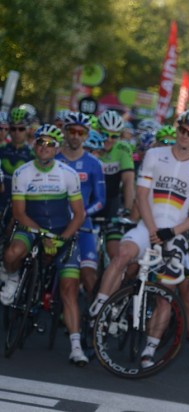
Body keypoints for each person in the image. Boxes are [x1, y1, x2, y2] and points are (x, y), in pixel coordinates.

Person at [90, 110, 189, 371]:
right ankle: (99, 307)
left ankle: (150, 349)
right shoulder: (155, 155)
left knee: (166, 294)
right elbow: (141, 194)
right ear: (177, 129)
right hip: (147, 225)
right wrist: (153, 228)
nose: (185, 135)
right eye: (182, 129)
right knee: (123, 253)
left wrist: (172, 231)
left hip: (175, 232)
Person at [0, 124, 87, 364]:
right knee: (12, 253)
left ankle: (76, 347)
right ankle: (13, 278)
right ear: (34, 144)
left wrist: (62, 239)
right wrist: (43, 235)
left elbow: (79, 215)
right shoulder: (22, 172)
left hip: (62, 232)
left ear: (57, 148)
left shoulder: (68, 174)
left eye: (50, 144)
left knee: (69, 288)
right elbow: (19, 213)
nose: (44, 147)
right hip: (31, 228)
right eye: (40, 142)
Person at [56, 112, 106, 296]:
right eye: (72, 131)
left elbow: (100, 201)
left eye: (81, 132)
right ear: (64, 131)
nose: (76, 136)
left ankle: (95, 313)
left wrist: (83, 214)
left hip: (83, 224)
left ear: (86, 135)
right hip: (54, 221)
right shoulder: (53, 158)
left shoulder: (94, 164)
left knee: (88, 275)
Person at [94, 110, 135, 260]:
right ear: (98, 131)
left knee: (114, 253)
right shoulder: (90, 145)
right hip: (89, 203)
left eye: (114, 136)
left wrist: (128, 210)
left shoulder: (123, 148)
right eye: (105, 134)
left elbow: (128, 181)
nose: (109, 139)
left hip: (112, 203)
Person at [0, 107, 35, 228]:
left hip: (18, 205)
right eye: (13, 129)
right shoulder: (2, 149)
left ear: (28, 129)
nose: (17, 132)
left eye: (21, 129)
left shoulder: (33, 155)